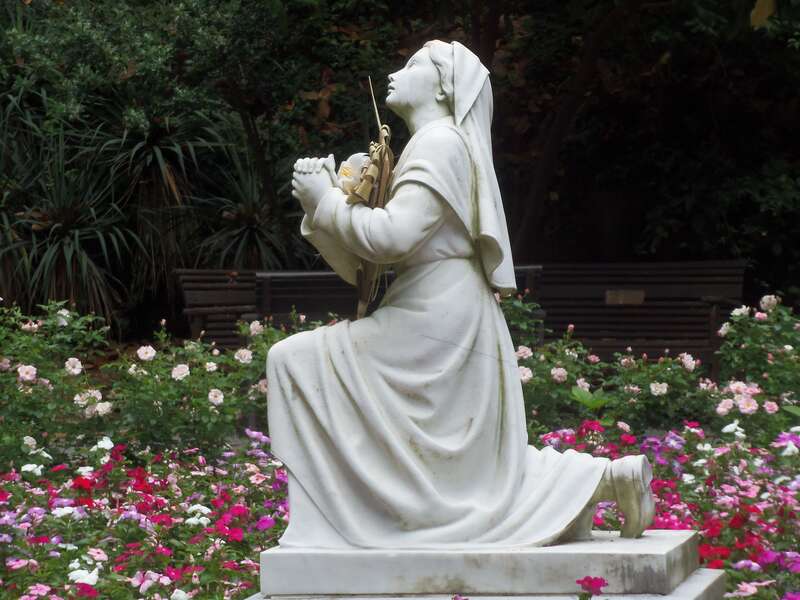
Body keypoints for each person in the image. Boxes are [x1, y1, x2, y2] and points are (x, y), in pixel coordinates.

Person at [269, 39, 654, 549]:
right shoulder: (431, 145)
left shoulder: (440, 142)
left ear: (445, 84)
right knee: (466, 475)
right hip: (429, 308)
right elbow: (365, 271)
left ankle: (343, 529)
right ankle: (607, 480)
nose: (396, 72)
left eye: (412, 65)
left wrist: (328, 205)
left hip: (436, 318)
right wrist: (323, 208)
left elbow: (390, 238)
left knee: (294, 360)